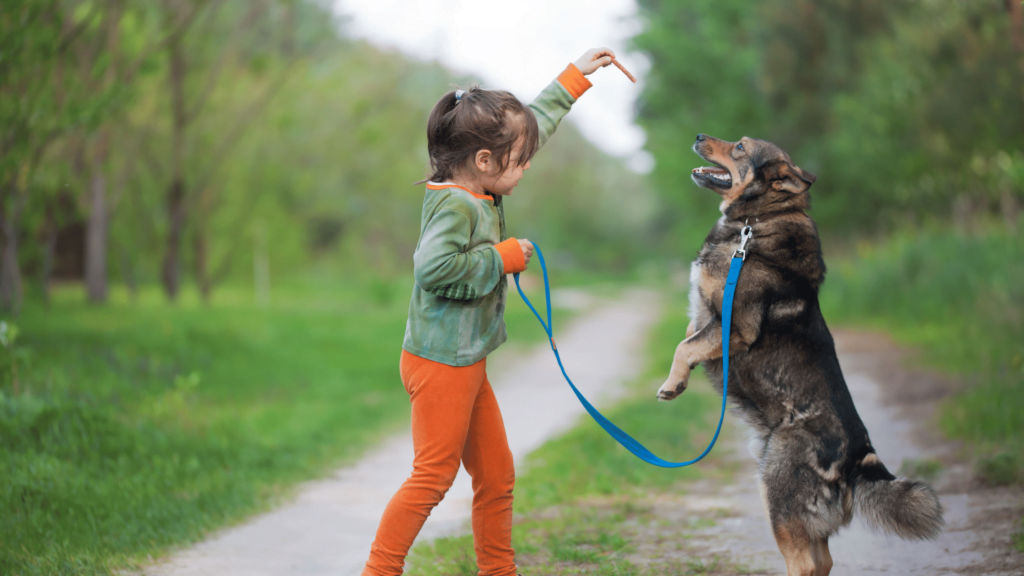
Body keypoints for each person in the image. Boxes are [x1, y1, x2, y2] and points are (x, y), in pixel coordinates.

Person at [363, 48, 618, 576]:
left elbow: (531, 129)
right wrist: (501, 258)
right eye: (519, 162)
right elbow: (432, 270)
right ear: (484, 161)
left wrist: (573, 80)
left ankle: (499, 571)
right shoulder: (456, 205)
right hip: (441, 365)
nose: (526, 167)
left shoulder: (478, 184)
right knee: (432, 478)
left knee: (496, 476)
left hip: (466, 360)